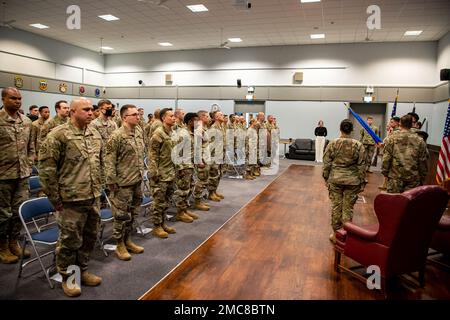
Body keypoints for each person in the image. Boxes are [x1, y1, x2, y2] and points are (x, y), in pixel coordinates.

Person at [39, 97, 103, 297]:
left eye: (92, 109)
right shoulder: (58, 135)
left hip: (92, 196)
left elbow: (98, 163)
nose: (91, 112)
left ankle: (82, 270)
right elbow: (47, 171)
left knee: (89, 237)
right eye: (85, 109)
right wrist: (55, 199)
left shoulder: (94, 132)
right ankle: (69, 277)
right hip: (70, 200)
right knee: (69, 241)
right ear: (72, 112)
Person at [105, 104, 145, 261]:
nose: (138, 116)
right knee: (121, 215)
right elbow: (109, 160)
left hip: (136, 179)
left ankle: (128, 239)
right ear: (124, 117)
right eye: (134, 114)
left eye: (138, 114)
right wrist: (111, 181)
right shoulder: (116, 136)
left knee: (134, 213)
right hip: (122, 182)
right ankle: (119, 244)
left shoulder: (138, 132)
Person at [0, 87, 34, 264]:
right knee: (2, 214)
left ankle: (14, 242)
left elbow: (31, 147)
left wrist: (29, 162)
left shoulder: (26, 121)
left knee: (17, 212)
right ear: (3, 99)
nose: (18, 101)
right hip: (3, 177)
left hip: (22, 175)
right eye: (13, 98)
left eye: (19, 98)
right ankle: (2, 246)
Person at [323, 119, 365, 244]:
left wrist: (326, 177)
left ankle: (336, 235)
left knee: (336, 206)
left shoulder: (333, 143)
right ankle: (346, 235)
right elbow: (362, 165)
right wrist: (362, 181)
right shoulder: (358, 145)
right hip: (352, 181)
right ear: (352, 130)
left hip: (335, 179)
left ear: (340, 129)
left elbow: (326, 162)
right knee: (348, 208)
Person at [148, 108, 178, 238]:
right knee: (158, 202)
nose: (174, 118)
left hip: (170, 172)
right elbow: (152, 155)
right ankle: (156, 226)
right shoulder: (158, 134)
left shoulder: (172, 132)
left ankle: (163, 222)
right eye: (171, 116)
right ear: (163, 118)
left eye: (174, 116)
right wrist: (154, 174)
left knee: (167, 201)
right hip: (161, 174)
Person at [381, 115, 428, 193]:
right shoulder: (420, 140)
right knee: (409, 202)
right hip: (413, 178)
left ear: (400, 123)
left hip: (395, 177)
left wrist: (385, 172)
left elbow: (386, 157)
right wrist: (422, 177)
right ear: (411, 125)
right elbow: (422, 160)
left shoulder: (391, 138)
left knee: (394, 201)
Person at [173, 112, 200, 222]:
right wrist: (180, 167)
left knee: (189, 188)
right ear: (190, 122)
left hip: (190, 165)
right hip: (184, 166)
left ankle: (184, 209)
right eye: (196, 121)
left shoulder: (191, 133)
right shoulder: (183, 133)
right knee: (182, 190)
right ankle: (180, 212)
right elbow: (176, 151)